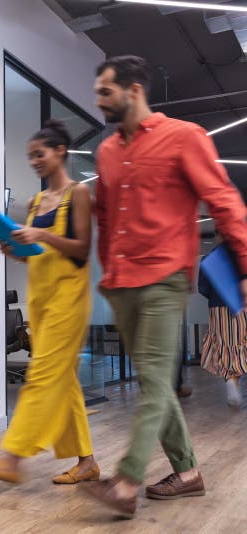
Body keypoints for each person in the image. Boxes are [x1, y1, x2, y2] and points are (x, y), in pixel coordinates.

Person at [82, 55, 247, 517]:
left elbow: (224, 201)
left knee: (153, 381)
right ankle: (189, 472)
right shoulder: (108, 152)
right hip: (122, 282)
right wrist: (107, 274)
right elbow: (105, 216)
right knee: (155, 381)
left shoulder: (184, 137)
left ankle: (126, 479)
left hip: (163, 277)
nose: (99, 101)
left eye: (105, 92)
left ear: (134, 90)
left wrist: (246, 267)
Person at [0, 119, 98, 485]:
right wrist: (13, 250)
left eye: (39, 154)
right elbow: (34, 255)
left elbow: (81, 249)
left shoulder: (79, 195)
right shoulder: (36, 201)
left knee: (41, 374)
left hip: (69, 301)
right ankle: (87, 462)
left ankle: (12, 458)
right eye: (29, 157)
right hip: (40, 301)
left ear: (60, 152)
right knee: (66, 381)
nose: (34, 161)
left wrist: (41, 232)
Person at [199, 239, 247, 408]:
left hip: (216, 307)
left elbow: (202, 288)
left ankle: (230, 380)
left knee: (223, 345)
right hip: (240, 304)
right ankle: (233, 380)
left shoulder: (209, 258)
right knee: (239, 343)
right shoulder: (242, 254)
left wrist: (215, 297)